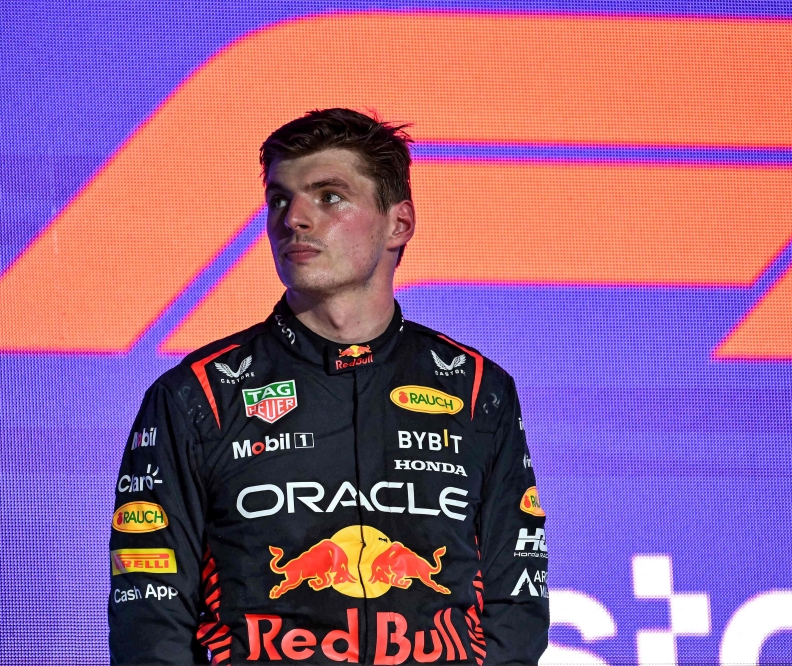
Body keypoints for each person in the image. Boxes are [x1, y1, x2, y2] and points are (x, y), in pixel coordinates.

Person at [108, 108, 549, 665]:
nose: (294, 218)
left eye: (329, 196)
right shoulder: (196, 394)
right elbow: (151, 615)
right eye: (279, 199)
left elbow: (518, 595)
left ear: (399, 223)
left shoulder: (478, 389)